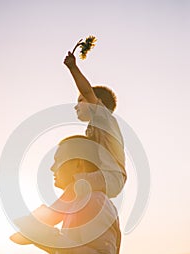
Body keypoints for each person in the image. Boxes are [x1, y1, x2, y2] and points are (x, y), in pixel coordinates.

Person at [29, 50, 127, 226]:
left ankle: (47, 219)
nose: (76, 106)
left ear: (96, 102)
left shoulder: (103, 117)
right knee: (74, 187)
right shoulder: (96, 128)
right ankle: (58, 221)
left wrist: (73, 67)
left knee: (74, 186)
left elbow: (88, 91)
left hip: (111, 176)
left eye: (81, 100)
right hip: (105, 176)